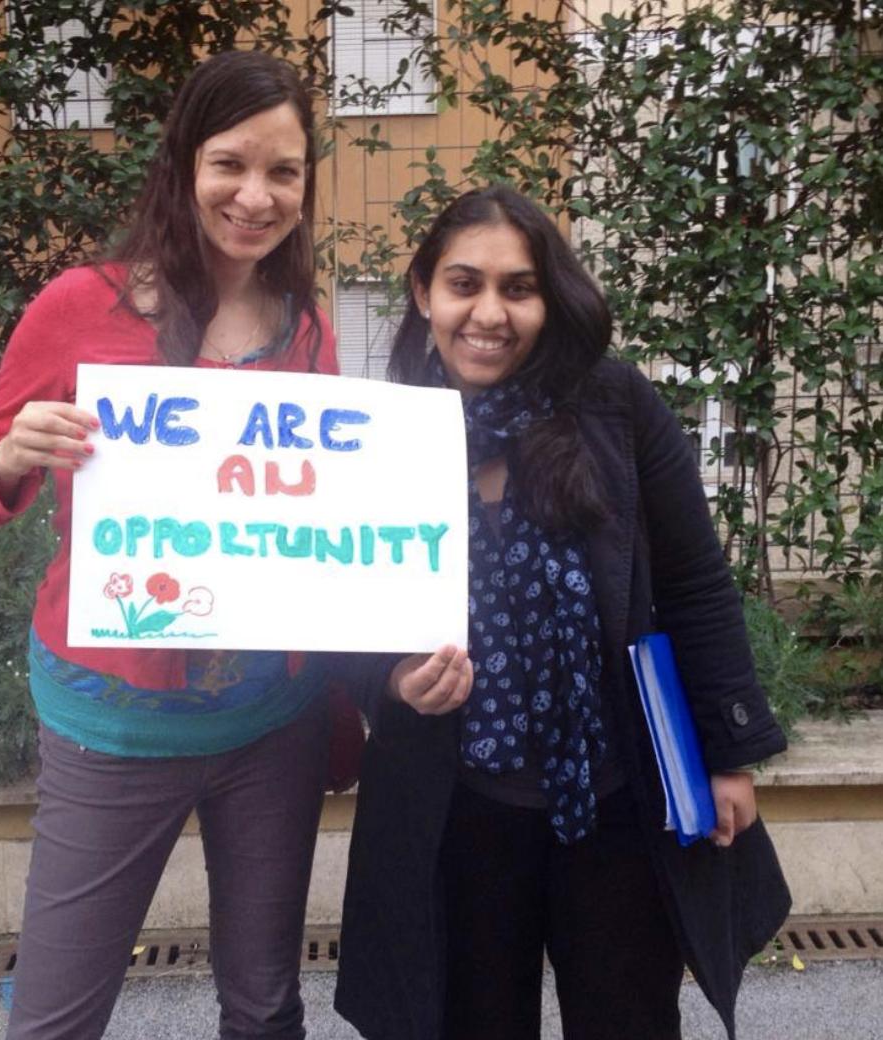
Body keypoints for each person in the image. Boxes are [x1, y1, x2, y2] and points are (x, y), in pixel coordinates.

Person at [333, 185, 791, 1040]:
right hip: (456, 802)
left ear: (551, 299)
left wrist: (729, 756)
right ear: (423, 291)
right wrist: (391, 680)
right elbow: (333, 602)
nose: (489, 313)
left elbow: (695, 582)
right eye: (464, 284)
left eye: (519, 288)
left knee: (628, 1019)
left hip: (614, 794)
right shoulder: (379, 429)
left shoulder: (616, 407)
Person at [0, 51, 337, 1040]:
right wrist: (12, 453)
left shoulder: (306, 329)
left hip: (272, 722)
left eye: (284, 171)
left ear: (306, 183)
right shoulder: (80, 304)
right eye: (230, 163)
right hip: (112, 720)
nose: (255, 196)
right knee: (54, 1015)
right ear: (184, 164)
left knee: (264, 1002)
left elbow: (325, 525)